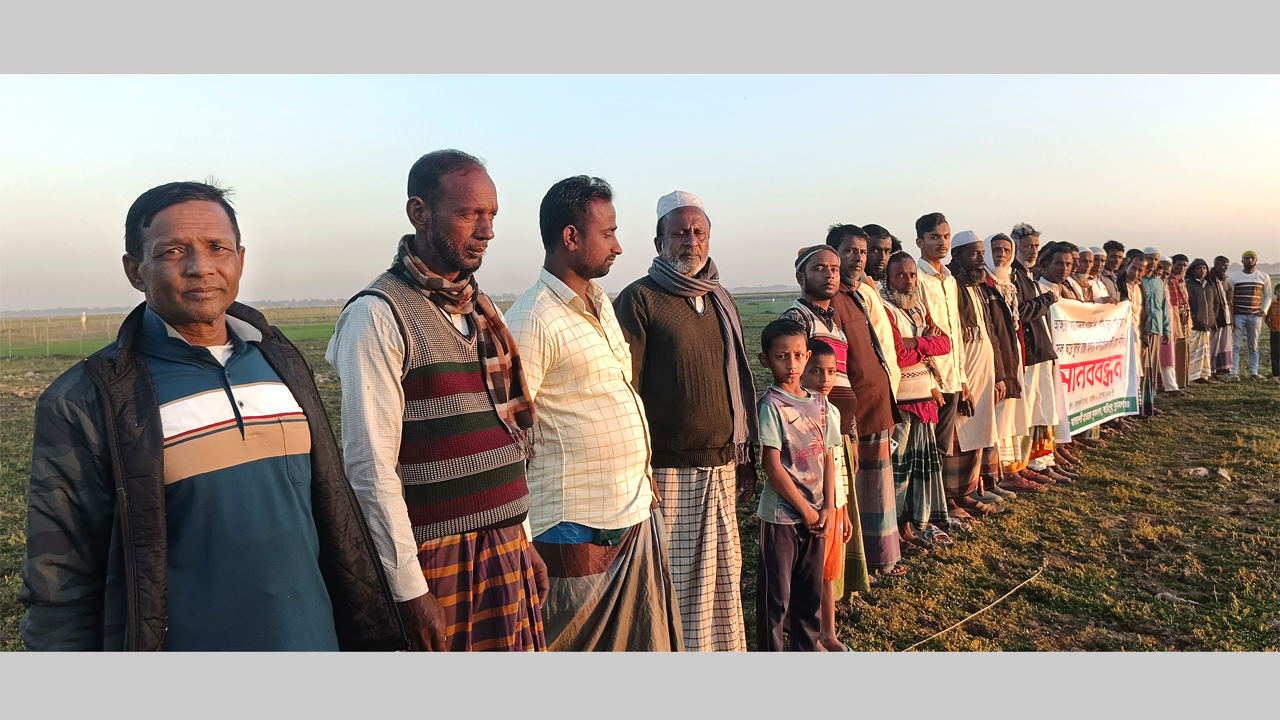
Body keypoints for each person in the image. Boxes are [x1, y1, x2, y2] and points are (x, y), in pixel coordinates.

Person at [20, 181, 406, 651]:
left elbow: (332, 515)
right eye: (173, 251)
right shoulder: (85, 399)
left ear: (240, 259)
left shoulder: (281, 362)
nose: (200, 266)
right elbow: (58, 580)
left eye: (217, 248)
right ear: (134, 270)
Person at [327, 150, 546, 652]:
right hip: (438, 556)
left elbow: (505, 436)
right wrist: (409, 589)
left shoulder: (480, 308)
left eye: (492, 215)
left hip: (506, 544)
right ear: (419, 213)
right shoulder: (378, 315)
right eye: (470, 214)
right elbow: (370, 467)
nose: (487, 230)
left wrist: (525, 538)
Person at [506, 175, 682, 651]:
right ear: (571, 237)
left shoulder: (600, 302)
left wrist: (641, 478)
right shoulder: (532, 319)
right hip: (574, 526)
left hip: (630, 509)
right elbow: (509, 436)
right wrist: (520, 536)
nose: (618, 247)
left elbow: (612, 395)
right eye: (608, 234)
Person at [613, 190, 758, 652]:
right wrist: (638, 468)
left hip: (721, 463)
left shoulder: (720, 298)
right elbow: (626, 388)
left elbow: (735, 381)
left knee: (722, 575)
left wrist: (744, 455)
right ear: (659, 241)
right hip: (666, 469)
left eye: (698, 232)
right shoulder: (640, 298)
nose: (690, 241)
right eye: (679, 232)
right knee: (672, 580)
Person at [782, 244, 887, 581]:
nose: (829, 275)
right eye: (819, 268)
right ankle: (818, 594)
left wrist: (849, 434)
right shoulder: (797, 319)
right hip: (812, 436)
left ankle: (837, 592)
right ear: (800, 276)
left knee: (840, 511)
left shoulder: (834, 325)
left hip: (836, 432)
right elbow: (791, 381)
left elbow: (842, 379)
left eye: (834, 269)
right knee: (818, 515)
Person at [754, 319, 839, 652]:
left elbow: (829, 457)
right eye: (781, 357)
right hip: (782, 519)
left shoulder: (821, 404)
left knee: (809, 595)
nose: (791, 364)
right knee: (775, 599)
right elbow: (772, 466)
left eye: (798, 355)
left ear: (807, 356)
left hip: (818, 517)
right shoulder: (770, 406)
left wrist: (828, 508)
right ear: (765, 360)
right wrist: (805, 510)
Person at [824, 226, 899, 586]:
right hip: (856, 409)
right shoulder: (832, 299)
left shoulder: (857, 293)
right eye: (850, 251)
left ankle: (882, 556)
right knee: (857, 491)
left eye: (863, 252)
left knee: (878, 487)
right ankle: (865, 563)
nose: (858, 258)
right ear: (834, 254)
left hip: (877, 401)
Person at [880, 252, 960, 546]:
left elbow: (946, 343)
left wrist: (916, 342)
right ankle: (896, 532)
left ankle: (914, 524)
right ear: (888, 278)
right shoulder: (886, 308)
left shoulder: (918, 307)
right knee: (899, 469)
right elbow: (898, 355)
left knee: (919, 468)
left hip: (924, 398)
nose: (908, 280)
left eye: (912, 274)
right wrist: (925, 341)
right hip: (901, 401)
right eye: (900, 275)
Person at [948, 232, 1011, 509]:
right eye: (973, 254)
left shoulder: (977, 286)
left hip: (983, 370)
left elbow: (989, 333)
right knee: (961, 435)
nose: (980, 259)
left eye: (982, 254)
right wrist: (961, 381)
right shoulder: (951, 285)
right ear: (957, 256)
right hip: (963, 372)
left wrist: (999, 375)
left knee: (980, 431)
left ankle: (975, 487)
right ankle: (956, 495)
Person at [800, 340, 855, 652]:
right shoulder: (797, 412)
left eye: (832, 372)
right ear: (802, 371)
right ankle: (807, 635)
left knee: (828, 573)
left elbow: (838, 465)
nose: (825, 379)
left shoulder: (831, 411)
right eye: (816, 371)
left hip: (834, 507)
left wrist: (842, 509)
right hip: (810, 507)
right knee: (809, 574)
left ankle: (828, 633)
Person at [984, 233, 1041, 493]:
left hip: (1014, 352)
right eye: (996, 249)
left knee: (1012, 413)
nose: (1002, 255)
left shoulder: (1009, 282)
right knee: (998, 415)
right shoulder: (985, 283)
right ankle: (1002, 472)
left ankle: (1014, 467)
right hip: (997, 357)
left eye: (1007, 250)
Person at [1034, 241, 1083, 478]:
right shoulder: (1039, 289)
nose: (1064, 268)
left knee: (1058, 408)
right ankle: (1044, 457)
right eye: (1058, 263)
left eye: (1068, 264)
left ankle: (1055, 451)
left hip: (1066, 358)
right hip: (1045, 358)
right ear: (1046, 265)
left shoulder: (1067, 290)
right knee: (1045, 409)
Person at [1119, 249, 1158, 417]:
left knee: (1136, 373)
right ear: (1127, 265)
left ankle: (1136, 408)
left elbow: (1145, 315)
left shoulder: (1141, 287)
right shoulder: (1118, 284)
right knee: (1124, 373)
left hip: (1137, 336)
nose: (1135, 272)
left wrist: (1145, 341)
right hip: (1122, 337)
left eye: (1140, 270)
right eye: (1133, 268)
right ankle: (1125, 411)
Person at [1225, 250, 1274, 380]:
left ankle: (1254, 372)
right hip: (1238, 315)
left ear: (1256, 260)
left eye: (1252, 258)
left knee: (1254, 345)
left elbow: (1268, 296)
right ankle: (1233, 372)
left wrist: (1264, 310)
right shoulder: (1234, 277)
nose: (1250, 260)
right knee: (1236, 345)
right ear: (1242, 261)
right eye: (1247, 258)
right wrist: (1231, 316)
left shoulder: (1263, 277)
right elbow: (1229, 298)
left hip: (1255, 316)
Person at [1184, 258, 1218, 384]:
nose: (1202, 270)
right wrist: (1194, 317)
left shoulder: (1210, 285)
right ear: (1193, 270)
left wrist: (1212, 317)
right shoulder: (1188, 285)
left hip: (1207, 325)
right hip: (1194, 325)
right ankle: (1191, 377)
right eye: (1199, 268)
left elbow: (1216, 303)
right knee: (1193, 353)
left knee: (1204, 353)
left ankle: (1203, 376)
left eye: (1204, 268)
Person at [1167, 254, 1192, 390]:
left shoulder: (1182, 281)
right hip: (1175, 316)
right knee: (1175, 349)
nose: (1182, 268)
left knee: (1184, 347)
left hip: (1184, 317)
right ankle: (1176, 381)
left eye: (1184, 265)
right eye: (1179, 265)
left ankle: (1183, 381)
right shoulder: (1169, 281)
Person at [1208, 255, 1235, 377]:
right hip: (1216, 317)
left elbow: (1229, 299)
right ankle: (1211, 369)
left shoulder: (1225, 280)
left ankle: (1222, 368)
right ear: (1216, 265)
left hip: (1226, 316)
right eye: (1223, 265)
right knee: (1214, 345)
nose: (1225, 268)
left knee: (1224, 344)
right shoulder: (1210, 279)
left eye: (1226, 266)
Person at [1268, 283, 1280, 379]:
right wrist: (1271, 328)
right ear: (1275, 293)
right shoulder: (1272, 305)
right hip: (1275, 332)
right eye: (1279, 291)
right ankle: (1276, 374)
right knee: (1275, 353)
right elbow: (1266, 318)